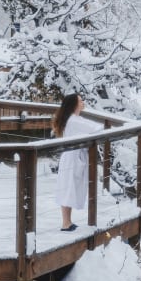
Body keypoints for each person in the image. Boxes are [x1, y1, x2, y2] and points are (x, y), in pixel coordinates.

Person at [52, 92, 100, 231]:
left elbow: (88, 125)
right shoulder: (73, 120)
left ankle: (67, 222)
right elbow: (94, 128)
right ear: (74, 104)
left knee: (69, 188)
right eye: (80, 100)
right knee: (68, 188)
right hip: (72, 159)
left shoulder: (73, 119)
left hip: (71, 157)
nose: (83, 102)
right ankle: (66, 223)